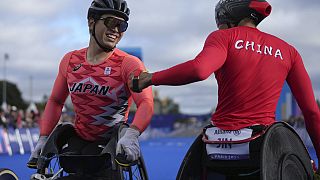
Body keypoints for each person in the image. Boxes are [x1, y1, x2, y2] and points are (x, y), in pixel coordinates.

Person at [128, 0, 320, 178]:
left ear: (229, 15)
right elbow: (312, 112)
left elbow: (199, 69)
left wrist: (151, 78)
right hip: (264, 150)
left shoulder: (224, 37)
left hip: (217, 151)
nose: (218, 27)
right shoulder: (288, 51)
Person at [27, 0, 154, 178]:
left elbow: (146, 103)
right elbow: (55, 101)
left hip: (109, 143)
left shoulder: (130, 64)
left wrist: (132, 133)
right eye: (111, 22)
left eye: (122, 25)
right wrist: (43, 137)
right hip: (77, 139)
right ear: (91, 22)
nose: (116, 30)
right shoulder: (70, 60)